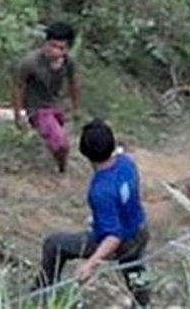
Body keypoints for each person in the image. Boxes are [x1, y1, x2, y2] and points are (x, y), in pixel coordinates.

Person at [33, 120, 150, 306]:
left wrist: (91, 264)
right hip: (140, 230)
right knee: (133, 267)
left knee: (54, 245)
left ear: (84, 152)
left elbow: (113, 236)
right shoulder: (126, 163)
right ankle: (143, 302)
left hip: (120, 241)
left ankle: (41, 298)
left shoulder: (101, 190)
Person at [13, 22, 81, 173]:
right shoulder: (30, 62)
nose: (54, 51)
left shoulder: (68, 62)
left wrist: (76, 108)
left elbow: (74, 82)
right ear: (46, 43)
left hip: (56, 105)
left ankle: (54, 157)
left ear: (67, 49)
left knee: (56, 134)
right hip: (37, 108)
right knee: (61, 143)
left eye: (61, 48)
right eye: (52, 45)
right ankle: (61, 169)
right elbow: (18, 86)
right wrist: (19, 114)